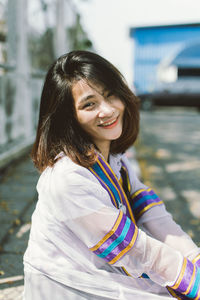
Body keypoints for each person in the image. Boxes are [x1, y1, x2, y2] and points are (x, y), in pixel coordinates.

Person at [23, 50, 200, 300]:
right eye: (89, 104)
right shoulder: (67, 178)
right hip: (65, 287)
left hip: (99, 273)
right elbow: (131, 246)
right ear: (69, 117)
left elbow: (151, 213)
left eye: (110, 95)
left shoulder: (112, 159)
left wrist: (193, 257)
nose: (107, 110)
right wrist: (192, 279)